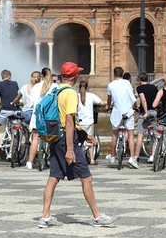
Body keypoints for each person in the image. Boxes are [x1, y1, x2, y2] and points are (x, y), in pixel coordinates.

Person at [38, 62, 116, 228]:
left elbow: (68, 120)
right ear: (74, 77)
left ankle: (45, 217)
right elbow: (68, 120)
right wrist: (71, 149)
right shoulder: (71, 94)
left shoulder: (55, 90)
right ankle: (97, 216)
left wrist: (84, 134)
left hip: (56, 138)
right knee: (87, 177)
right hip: (67, 140)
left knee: (53, 177)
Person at [25, 67, 58, 169]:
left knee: (35, 138)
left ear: (41, 76)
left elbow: (30, 102)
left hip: (37, 116)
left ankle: (30, 162)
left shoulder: (36, 87)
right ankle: (53, 161)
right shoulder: (55, 86)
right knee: (53, 139)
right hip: (49, 116)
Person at [106, 67, 137, 168]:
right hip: (128, 111)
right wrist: (136, 107)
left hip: (116, 112)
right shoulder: (126, 83)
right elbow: (132, 97)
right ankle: (132, 158)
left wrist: (108, 106)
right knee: (131, 134)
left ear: (113, 74)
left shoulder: (111, 85)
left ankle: (113, 156)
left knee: (114, 134)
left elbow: (109, 99)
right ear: (123, 74)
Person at [132, 72, 159, 164]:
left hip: (145, 113)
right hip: (154, 111)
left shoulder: (139, 88)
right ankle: (152, 155)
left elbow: (143, 99)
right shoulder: (154, 87)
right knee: (155, 135)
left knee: (140, 134)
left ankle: (136, 157)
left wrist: (146, 111)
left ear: (139, 80)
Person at [77, 81, 103, 165]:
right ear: (87, 87)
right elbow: (101, 102)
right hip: (89, 121)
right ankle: (91, 159)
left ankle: (78, 158)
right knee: (90, 140)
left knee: (78, 141)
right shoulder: (91, 96)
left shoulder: (76, 96)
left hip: (79, 122)